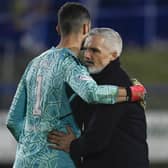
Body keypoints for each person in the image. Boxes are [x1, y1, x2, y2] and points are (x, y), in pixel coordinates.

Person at [6, 2, 145, 168]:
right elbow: (92, 93)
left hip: (24, 160)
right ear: (86, 29)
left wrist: (34, 143)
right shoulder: (71, 65)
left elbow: (13, 120)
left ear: (58, 29)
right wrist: (131, 92)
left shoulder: (34, 63)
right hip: (57, 160)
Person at [47, 28, 149, 168]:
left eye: (95, 51)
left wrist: (71, 145)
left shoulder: (116, 84)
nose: (87, 55)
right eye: (86, 49)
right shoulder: (92, 81)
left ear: (113, 55)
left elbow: (97, 139)